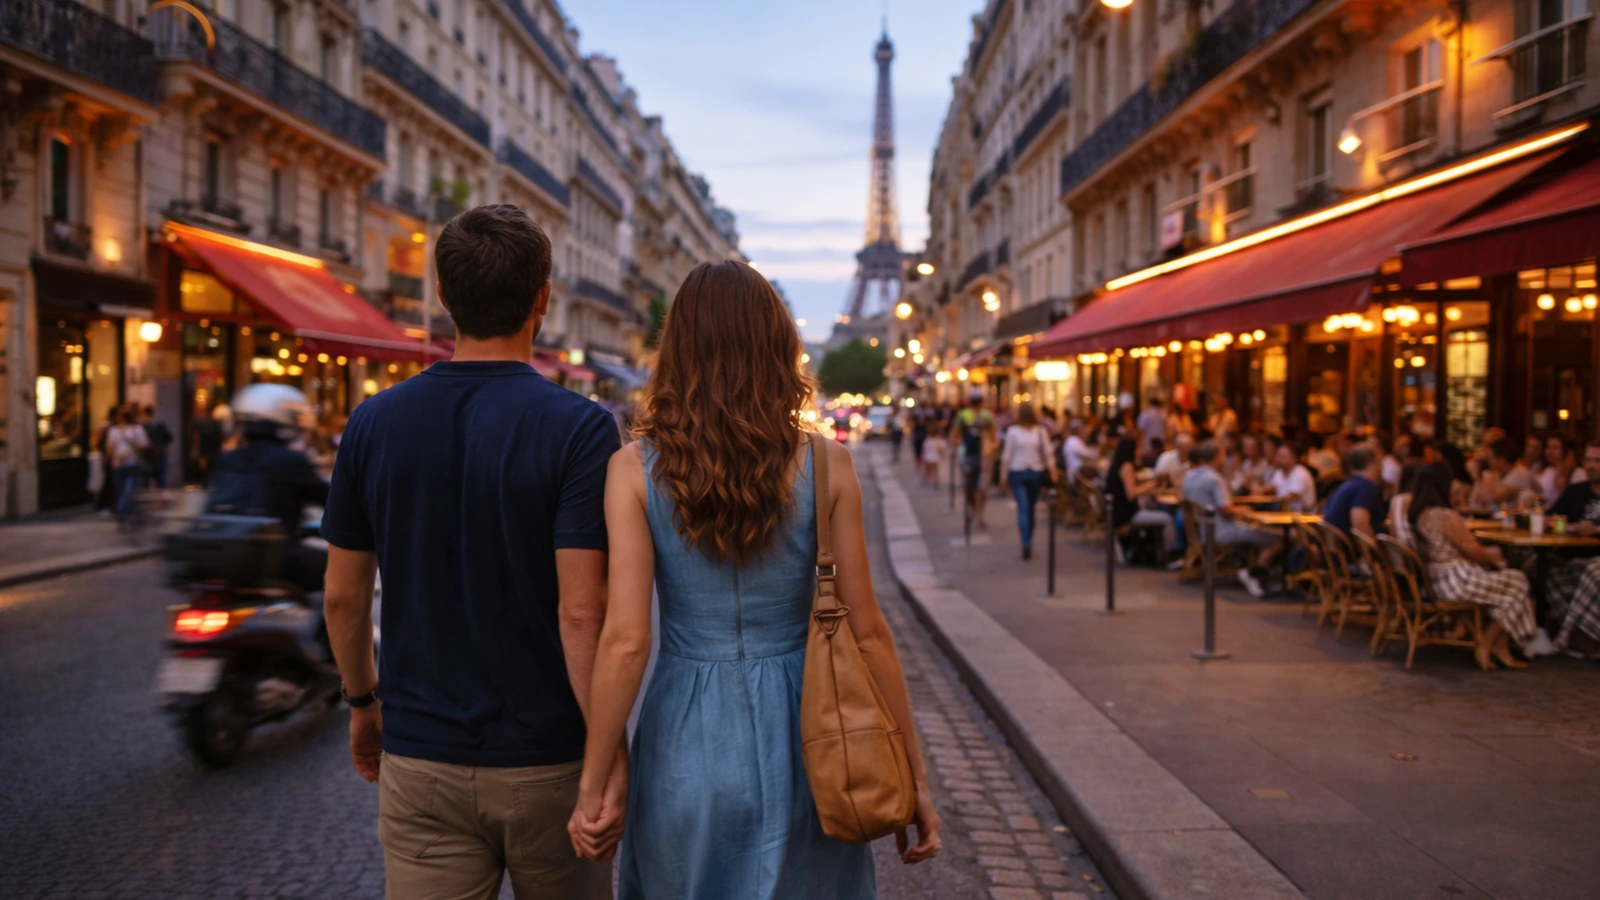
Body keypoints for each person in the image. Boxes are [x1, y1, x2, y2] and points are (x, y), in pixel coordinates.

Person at [571, 261, 940, 897]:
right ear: (779, 346)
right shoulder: (830, 465)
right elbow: (870, 634)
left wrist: (596, 778)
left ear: (677, 350)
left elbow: (626, 640)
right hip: (812, 731)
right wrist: (914, 776)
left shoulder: (633, 470)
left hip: (685, 733)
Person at [321, 206, 619, 897]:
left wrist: (364, 702)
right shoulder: (580, 430)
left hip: (422, 757)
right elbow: (582, 613)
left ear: (443, 297)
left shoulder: (371, 423)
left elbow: (342, 593)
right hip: (549, 760)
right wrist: (608, 754)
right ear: (543, 298)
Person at [204, 385, 331, 593]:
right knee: (337, 572)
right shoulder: (290, 461)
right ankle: (327, 625)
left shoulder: (228, 458)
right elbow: (331, 500)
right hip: (274, 558)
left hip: (221, 555)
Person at [1410, 463, 1537, 669]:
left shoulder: (1420, 514)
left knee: (1510, 585)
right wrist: (1496, 561)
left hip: (1439, 580)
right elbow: (1474, 550)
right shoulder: (1445, 516)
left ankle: (1501, 646)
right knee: (1519, 581)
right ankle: (1488, 644)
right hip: (1458, 581)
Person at [1182, 441, 1282, 597]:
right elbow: (1226, 509)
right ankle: (1253, 573)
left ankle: (1257, 571)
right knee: (1278, 538)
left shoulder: (1189, 475)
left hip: (1202, 531)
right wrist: (1243, 511)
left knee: (1262, 531)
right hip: (1222, 531)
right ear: (1218, 456)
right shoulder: (1214, 479)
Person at [1546, 442, 1600, 656]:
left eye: (1597, 461)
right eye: (1588, 460)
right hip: (1575, 557)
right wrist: (1570, 527)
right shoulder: (1576, 491)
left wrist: (1596, 530)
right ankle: (1582, 638)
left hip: (1596, 561)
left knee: (1593, 572)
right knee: (1547, 573)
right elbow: (1551, 518)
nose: (1591, 465)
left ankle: (1565, 634)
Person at [1000, 403, 1058, 559]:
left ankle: (1027, 539)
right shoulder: (1032, 431)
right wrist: (1052, 471)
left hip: (1025, 472)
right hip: (1028, 473)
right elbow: (1048, 453)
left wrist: (1003, 476)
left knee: (1026, 508)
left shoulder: (1036, 431)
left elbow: (1007, 456)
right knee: (1027, 508)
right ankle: (1027, 540)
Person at [1107, 437, 1177, 557]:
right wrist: (1154, 483)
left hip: (1117, 512)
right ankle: (1171, 552)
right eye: (1138, 449)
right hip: (1126, 515)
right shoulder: (1127, 466)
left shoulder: (1117, 464)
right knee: (1168, 519)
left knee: (1152, 507)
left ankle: (1159, 550)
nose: (1141, 452)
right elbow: (1132, 493)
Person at [1323, 446, 1386, 539]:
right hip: (1349, 550)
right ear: (1373, 463)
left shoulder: (1346, 484)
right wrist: (1376, 551)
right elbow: (1360, 524)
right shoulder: (1365, 486)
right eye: (1380, 461)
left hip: (1333, 547)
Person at [105, 406, 149, 528]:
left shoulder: (136, 430)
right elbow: (109, 447)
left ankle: (122, 517)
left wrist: (132, 448)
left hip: (131, 464)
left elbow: (144, 445)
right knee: (123, 492)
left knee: (127, 492)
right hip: (118, 465)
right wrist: (110, 459)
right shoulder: (114, 430)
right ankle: (137, 515)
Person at [1470, 438, 1537, 507]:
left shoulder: (1519, 474)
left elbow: (1493, 498)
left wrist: (1478, 478)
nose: (1489, 462)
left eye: (1490, 458)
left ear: (1501, 460)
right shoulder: (1501, 475)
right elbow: (1477, 502)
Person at [1264, 444, 1317, 512]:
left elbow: (1292, 497)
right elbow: (1270, 488)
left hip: (1303, 518)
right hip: (1285, 515)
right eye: (1278, 455)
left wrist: (1270, 498)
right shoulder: (1279, 472)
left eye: (1282, 456)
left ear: (1293, 458)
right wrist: (1258, 491)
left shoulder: (1300, 473)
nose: (1278, 459)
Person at [1538, 434, 1586, 505]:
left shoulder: (1578, 473)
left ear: (1566, 451)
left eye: (1555, 447)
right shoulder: (1548, 471)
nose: (1549, 451)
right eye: (1548, 447)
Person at [139, 405, 174, 490]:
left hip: (149, 456)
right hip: (159, 454)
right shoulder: (158, 425)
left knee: (147, 480)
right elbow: (169, 438)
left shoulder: (143, 427)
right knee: (160, 479)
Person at [1389, 464, 1419, 547]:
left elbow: (1392, 531)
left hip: (1400, 550)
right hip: (1411, 552)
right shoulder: (1412, 498)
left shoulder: (1395, 499)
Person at [1062, 419, 1095, 485]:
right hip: (1077, 476)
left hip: (1074, 473)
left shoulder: (1070, 439)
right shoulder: (1074, 440)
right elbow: (1088, 454)